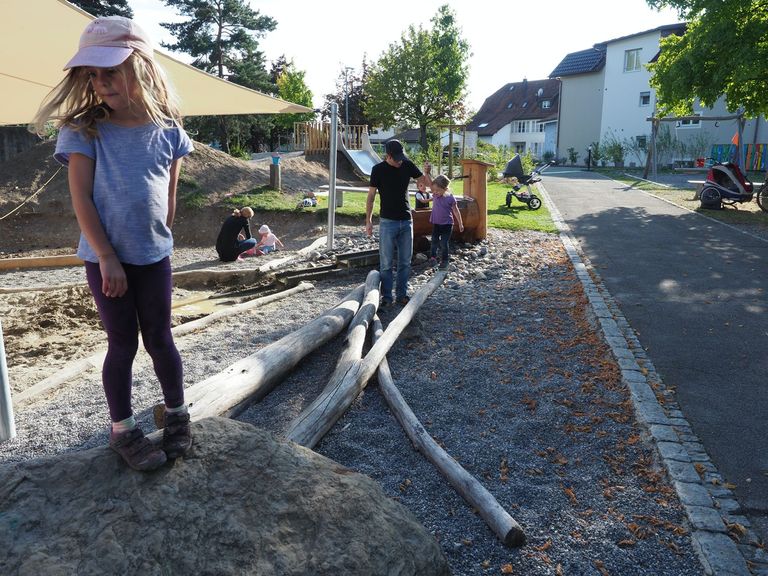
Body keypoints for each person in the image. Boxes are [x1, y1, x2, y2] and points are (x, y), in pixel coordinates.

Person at [32, 16, 193, 471]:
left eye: (110, 71)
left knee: (161, 338)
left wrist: (158, 237)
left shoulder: (168, 128)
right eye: (93, 74)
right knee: (122, 344)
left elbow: (169, 192)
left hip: (154, 256)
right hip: (107, 262)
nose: (101, 83)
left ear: (141, 66)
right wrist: (106, 256)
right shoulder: (85, 129)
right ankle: (122, 429)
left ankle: (178, 415)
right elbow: (81, 197)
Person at [366, 139, 432, 306]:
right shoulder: (378, 170)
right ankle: (387, 297)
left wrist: (426, 173)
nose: (399, 161)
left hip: (406, 220)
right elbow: (371, 196)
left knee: (405, 261)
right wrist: (368, 220)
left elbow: (426, 185)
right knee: (386, 263)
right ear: (388, 156)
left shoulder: (407, 165)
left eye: (401, 157)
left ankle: (401, 295)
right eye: (396, 158)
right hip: (387, 221)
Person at [428, 175, 464, 270]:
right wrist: (427, 172)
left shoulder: (450, 198)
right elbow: (430, 183)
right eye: (434, 190)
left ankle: (445, 260)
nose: (435, 192)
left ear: (445, 189)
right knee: (434, 241)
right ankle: (433, 257)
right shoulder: (435, 195)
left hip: (447, 224)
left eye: (438, 190)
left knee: (444, 243)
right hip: (436, 223)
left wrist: (460, 223)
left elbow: (456, 211)